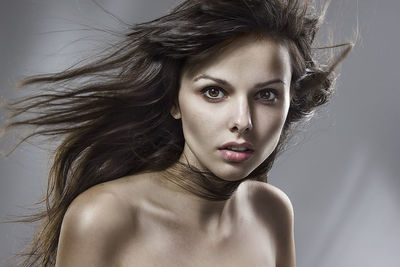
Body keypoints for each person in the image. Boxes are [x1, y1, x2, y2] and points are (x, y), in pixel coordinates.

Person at [3, 0, 352, 266]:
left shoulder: (272, 211)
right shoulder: (104, 216)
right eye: (214, 91)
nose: (243, 121)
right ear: (175, 100)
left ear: (289, 102)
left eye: (266, 95)